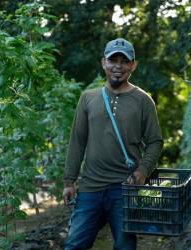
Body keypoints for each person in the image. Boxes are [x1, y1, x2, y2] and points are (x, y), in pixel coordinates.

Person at [62, 38, 163, 250]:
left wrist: (143, 171)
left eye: (124, 61)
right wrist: (69, 181)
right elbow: (78, 141)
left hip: (125, 189)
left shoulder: (143, 100)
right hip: (90, 187)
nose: (118, 66)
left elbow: (155, 141)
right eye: (113, 60)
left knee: (125, 246)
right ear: (103, 63)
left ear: (133, 65)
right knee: (74, 245)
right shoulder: (88, 98)